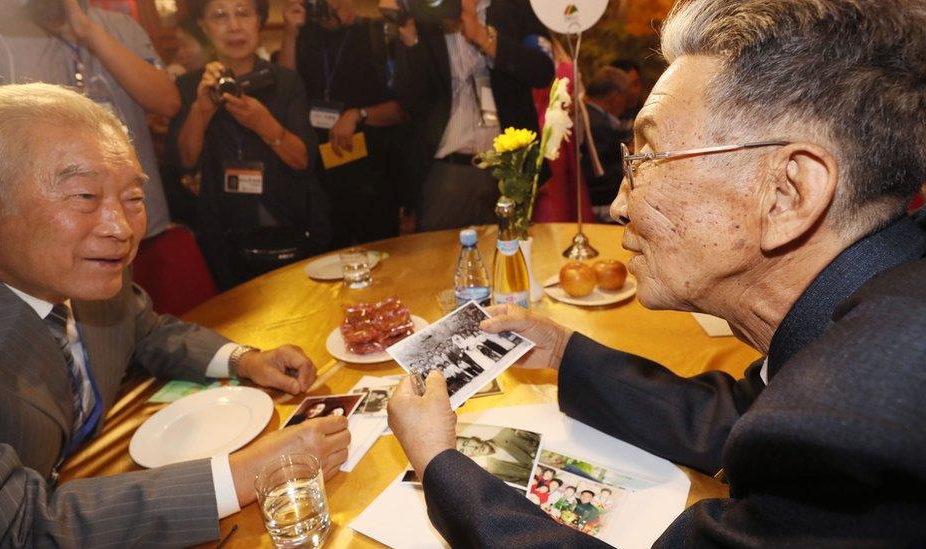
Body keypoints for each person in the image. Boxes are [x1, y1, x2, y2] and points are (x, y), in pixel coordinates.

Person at [386, 0, 926, 546]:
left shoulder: (859, 428)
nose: (620, 204)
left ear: (788, 193)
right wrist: (561, 350)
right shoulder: (867, 320)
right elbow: (741, 415)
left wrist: (438, 463)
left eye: (647, 159)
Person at [0, 84, 351, 547]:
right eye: (84, 196)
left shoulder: (73, 263)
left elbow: (143, 329)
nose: (120, 228)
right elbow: (13, 528)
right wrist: (242, 474)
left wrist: (244, 360)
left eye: (133, 199)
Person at [0, 0, 174, 239]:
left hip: (139, 221)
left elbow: (167, 102)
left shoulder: (119, 25)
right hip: (52, 234)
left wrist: (88, 31)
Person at [168, 0, 332, 289]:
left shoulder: (285, 81)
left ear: (259, 20)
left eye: (243, 13)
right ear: (204, 26)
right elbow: (185, 160)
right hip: (225, 231)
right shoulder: (189, 85)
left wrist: (263, 123)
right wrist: (201, 110)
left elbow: (304, 161)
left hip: (292, 221)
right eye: (220, 16)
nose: (234, 26)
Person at [391, 0, 554, 231]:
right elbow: (411, 103)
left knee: (513, 258)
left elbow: (542, 71)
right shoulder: (426, 12)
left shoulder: (514, 7)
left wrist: (484, 37)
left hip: (509, 168)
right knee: (440, 260)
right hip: (446, 171)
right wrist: (410, 40)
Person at [279, 0, 411, 246]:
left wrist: (358, 114)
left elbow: (405, 108)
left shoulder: (377, 33)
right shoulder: (305, 36)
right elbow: (284, 89)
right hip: (321, 175)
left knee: (380, 254)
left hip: (374, 174)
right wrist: (289, 32)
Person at [583, 65, 633, 213]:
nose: (626, 103)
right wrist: (631, 161)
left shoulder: (588, 116)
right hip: (599, 206)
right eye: (625, 97)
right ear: (616, 97)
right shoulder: (598, 125)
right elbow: (599, 175)